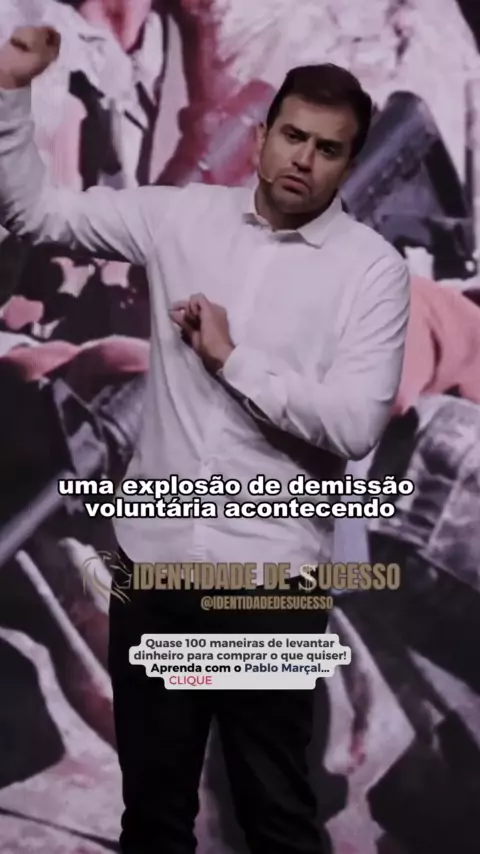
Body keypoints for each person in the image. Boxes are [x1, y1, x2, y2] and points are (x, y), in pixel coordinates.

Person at [0, 24, 410, 854]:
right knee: (155, 815)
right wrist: (10, 93)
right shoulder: (182, 217)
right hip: (155, 568)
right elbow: (36, 213)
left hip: (269, 580)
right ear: (262, 139)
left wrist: (232, 361)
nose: (303, 160)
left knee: (278, 813)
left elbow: (355, 424)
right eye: (291, 136)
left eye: (329, 149)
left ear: (349, 162)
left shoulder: (371, 270)